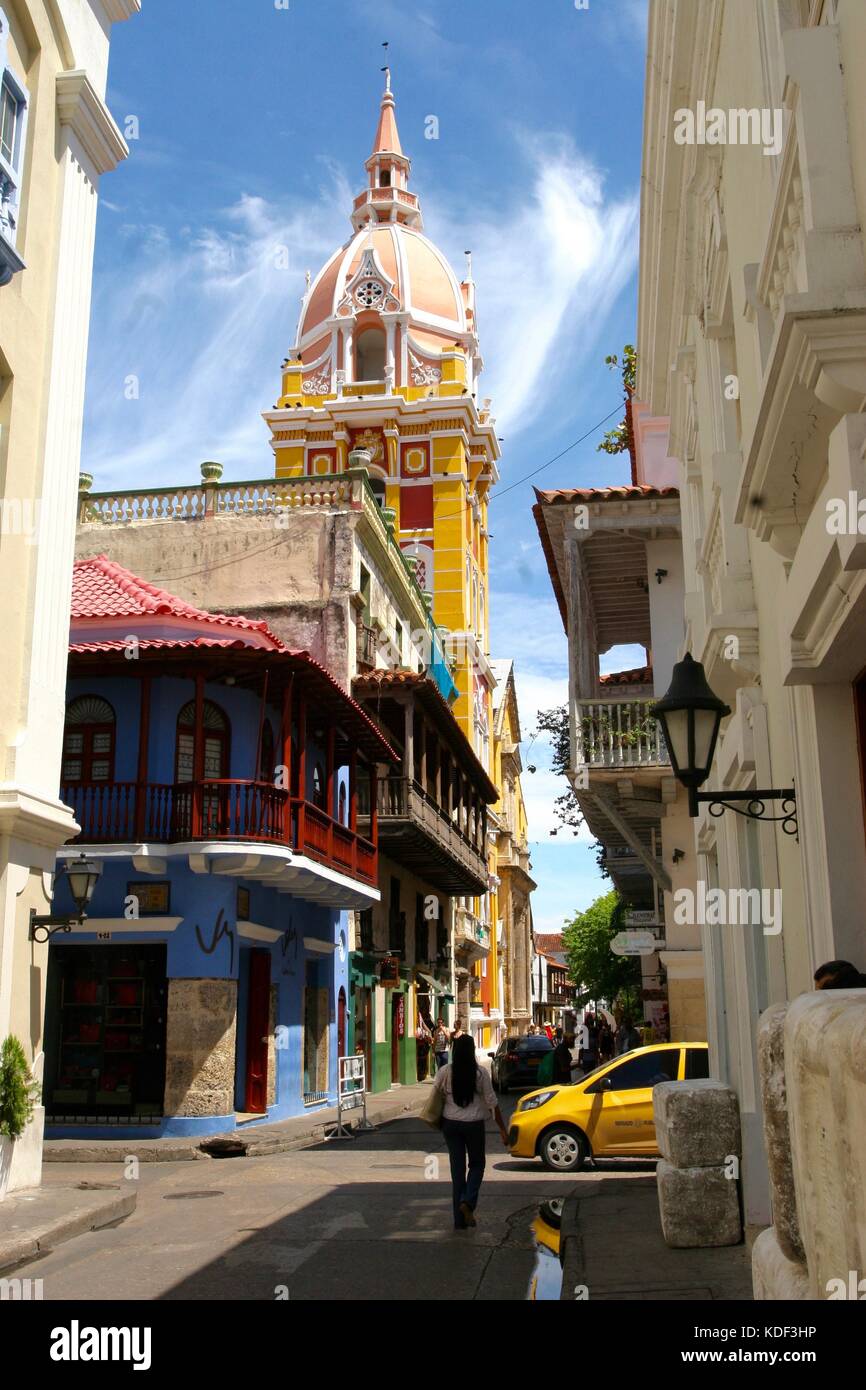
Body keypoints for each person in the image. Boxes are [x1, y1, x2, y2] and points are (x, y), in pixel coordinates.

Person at [432, 1034, 509, 1230]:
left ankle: (459, 1220)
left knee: (457, 1172)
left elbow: (434, 1095)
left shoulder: (445, 1072)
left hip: (450, 1125)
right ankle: (468, 1201)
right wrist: (502, 1130)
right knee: (477, 1164)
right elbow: (493, 1104)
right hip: (473, 1125)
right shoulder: (481, 1074)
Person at [415, 1015, 432, 1082]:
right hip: (421, 1048)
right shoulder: (421, 1021)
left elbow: (429, 1035)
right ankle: (421, 1075)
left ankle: (422, 1075)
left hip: (423, 1049)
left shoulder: (426, 1027)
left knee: (422, 1061)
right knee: (421, 1062)